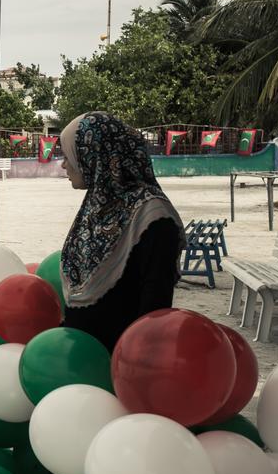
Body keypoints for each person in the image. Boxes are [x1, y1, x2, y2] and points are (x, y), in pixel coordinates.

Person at [58, 112, 185, 352]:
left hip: (121, 364)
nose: (64, 164)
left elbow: (154, 311)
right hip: (80, 359)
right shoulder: (97, 206)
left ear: (94, 153)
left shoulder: (152, 217)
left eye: (68, 155)